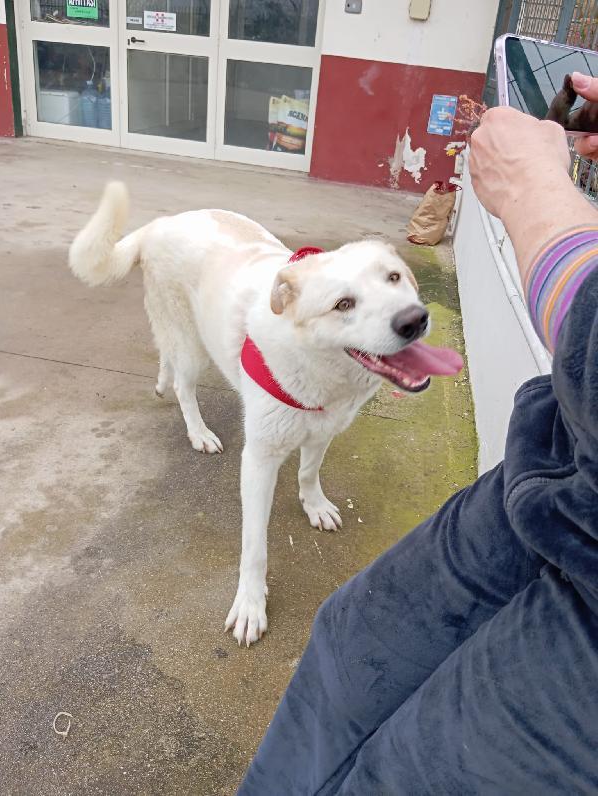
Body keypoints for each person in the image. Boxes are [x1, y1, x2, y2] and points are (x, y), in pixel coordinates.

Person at [238, 71, 598, 795]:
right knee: (349, 637)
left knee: (411, 772)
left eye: (398, 280)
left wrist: (537, 199)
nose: (405, 307)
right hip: (562, 466)